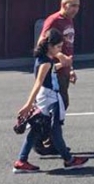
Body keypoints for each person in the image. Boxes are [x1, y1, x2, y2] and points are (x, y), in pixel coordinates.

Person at [13, 29, 88, 173]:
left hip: (43, 97)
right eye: (58, 47)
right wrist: (28, 104)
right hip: (50, 98)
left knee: (36, 129)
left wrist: (63, 65)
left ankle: (21, 160)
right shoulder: (46, 63)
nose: (60, 50)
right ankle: (69, 160)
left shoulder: (43, 59)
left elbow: (49, 70)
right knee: (55, 129)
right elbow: (38, 82)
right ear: (49, 46)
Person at [36, 0, 81, 156]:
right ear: (64, 5)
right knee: (55, 108)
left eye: (78, 6)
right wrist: (60, 57)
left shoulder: (69, 21)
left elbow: (68, 46)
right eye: (73, 5)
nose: (76, 9)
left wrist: (71, 68)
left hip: (64, 70)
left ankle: (50, 141)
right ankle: (40, 139)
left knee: (61, 106)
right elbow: (42, 43)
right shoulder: (54, 20)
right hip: (53, 71)